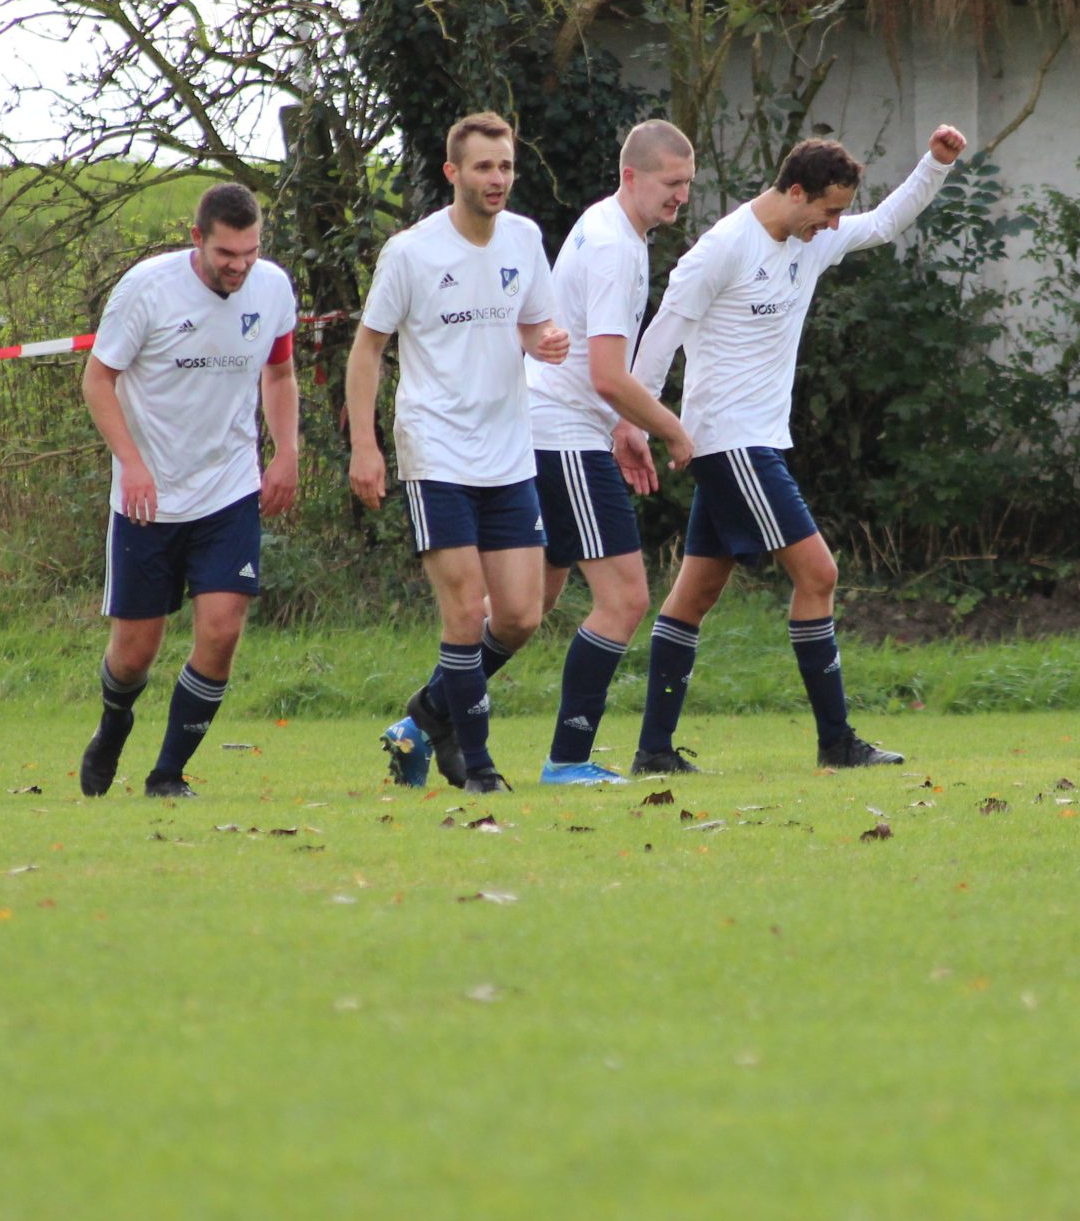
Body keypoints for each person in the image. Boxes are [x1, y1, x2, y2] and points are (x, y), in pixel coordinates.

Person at [622, 124, 970, 773]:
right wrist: (635, 426)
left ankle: (653, 752)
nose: (834, 224)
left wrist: (935, 164)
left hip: (757, 444)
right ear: (796, 191)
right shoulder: (723, 247)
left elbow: (884, 223)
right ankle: (836, 742)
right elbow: (660, 337)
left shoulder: (813, 241)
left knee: (693, 596)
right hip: (728, 443)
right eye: (828, 210)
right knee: (820, 574)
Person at [379, 119, 699, 789]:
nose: (682, 198)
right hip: (561, 438)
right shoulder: (614, 245)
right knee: (625, 598)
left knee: (530, 607)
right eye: (673, 184)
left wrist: (624, 426)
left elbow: (581, 354)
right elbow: (608, 373)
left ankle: (422, 720)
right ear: (632, 176)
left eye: (688, 185)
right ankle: (569, 759)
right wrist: (669, 427)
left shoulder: (618, 229)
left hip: (557, 432)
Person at [347, 112, 568, 796]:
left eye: (505, 167)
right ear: (453, 173)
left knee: (522, 615)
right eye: (483, 167)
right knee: (466, 612)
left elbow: (532, 323)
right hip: (435, 449)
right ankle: (477, 766)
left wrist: (544, 342)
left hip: (508, 452)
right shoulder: (412, 252)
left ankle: (430, 710)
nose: (497, 179)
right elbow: (368, 347)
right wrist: (365, 444)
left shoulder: (526, 239)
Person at [76, 182, 301, 799]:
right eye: (228, 254)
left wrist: (287, 451)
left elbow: (279, 372)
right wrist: (133, 463)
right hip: (149, 497)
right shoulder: (146, 289)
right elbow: (98, 381)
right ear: (197, 238)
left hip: (229, 487)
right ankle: (114, 725)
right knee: (133, 654)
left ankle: (167, 774)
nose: (240, 266)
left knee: (223, 629)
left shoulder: (272, 288)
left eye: (250, 252)